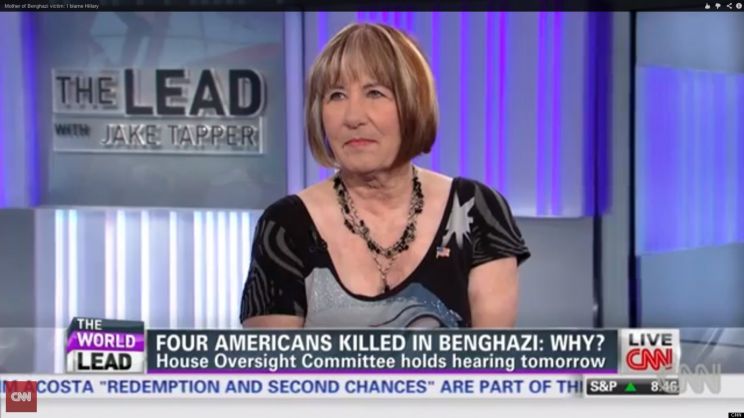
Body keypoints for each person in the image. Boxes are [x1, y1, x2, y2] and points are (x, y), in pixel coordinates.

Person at [240, 22, 529, 329]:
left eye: (375, 93)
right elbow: (272, 360)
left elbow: (491, 356)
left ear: (413, 103)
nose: (353, 117)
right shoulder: (285, 226)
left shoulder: (474, 211)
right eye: (336, 95)